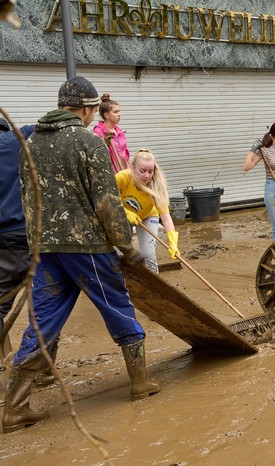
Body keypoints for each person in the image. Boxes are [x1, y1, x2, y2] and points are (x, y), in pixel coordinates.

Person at [4, 76, 160, 433]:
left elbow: (27, 197)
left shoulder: (29, 142)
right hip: (87, 248)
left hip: (45, 249)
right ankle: (140, 382)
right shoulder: (87, 142)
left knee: (42, 323)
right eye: (92, 111)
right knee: (117, 306)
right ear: (87, 109)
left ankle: (14, 408)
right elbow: (106, 203)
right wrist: (126, 246)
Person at [116, 149, 180, 274]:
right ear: (133, 167)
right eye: (142, 171)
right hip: (122, 216)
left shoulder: (157, 185)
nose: (146, 176)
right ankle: (122, 286)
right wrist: (126, 213)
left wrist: (173, 242)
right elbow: (108, 201)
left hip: (148, 216)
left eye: (150, 171)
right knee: (119, 253)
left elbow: (166, 217)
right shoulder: (122, 178)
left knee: (148, 254)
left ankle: (156, 289)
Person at [0, 118, 35, 343]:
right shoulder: (18, 138)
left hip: (3, 240)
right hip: (29, 234)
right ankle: (40, 365)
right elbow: (40, 126)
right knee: (44, 303)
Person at [93, 93, 130, 172]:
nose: (119, 114)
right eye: (116, 112)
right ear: (106, 115)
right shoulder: (99, 132)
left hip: (124, 172)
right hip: (111, 174)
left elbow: (125, 155)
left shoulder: (120, 132)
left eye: (119, 111)